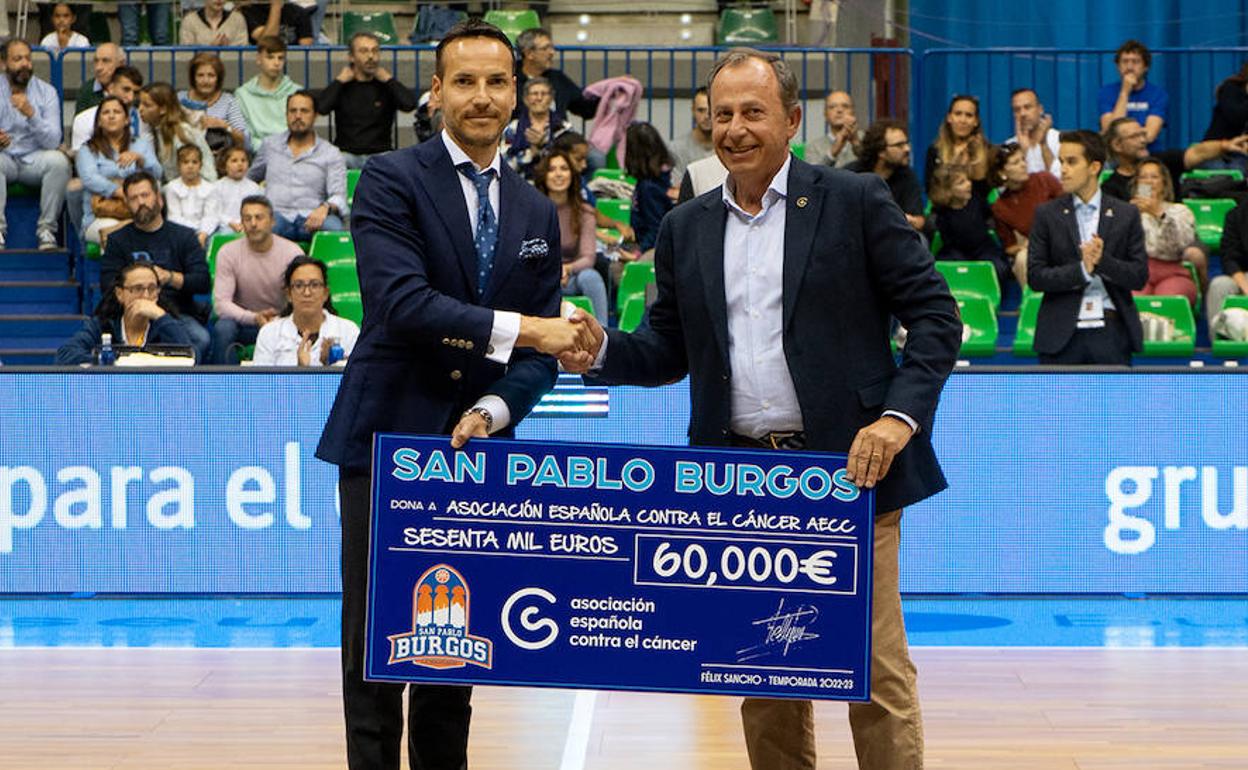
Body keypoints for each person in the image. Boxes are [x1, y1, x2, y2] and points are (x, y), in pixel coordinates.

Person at [560, 46, 960, 770]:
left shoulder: (854, 199)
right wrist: (603, 354)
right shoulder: (685, 227)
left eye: (753, 112)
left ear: (793, 121)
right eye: (722, 115)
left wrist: (897, 419)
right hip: (741, 482)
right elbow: (668, 350)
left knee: (872, 673)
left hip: (850, 473)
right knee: (763, 670)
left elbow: (936, 318)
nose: (735, 129)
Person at [315, 20, 592, 770]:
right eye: (463, 81)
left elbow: (538, 360)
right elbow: (402, 303)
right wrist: (537, 332)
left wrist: (496, 408)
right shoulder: (389, 179)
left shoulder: (536, 211)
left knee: (454, 650)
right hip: (387, 441)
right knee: (375, 647)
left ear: (517, 94)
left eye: (496, 81)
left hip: (478, 452)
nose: (481, 96)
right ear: (436, 92)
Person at [1028, 130, 1148, 365]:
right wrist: (1082, 270)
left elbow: (1139, 276)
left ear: (1094, 167)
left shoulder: (1126, 214)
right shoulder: (1046, 215)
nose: (1062, 169)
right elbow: (1036, 276)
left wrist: (1103, 261)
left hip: (1111, 328)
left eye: (1071, 162)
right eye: (1061, 161)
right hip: (1061, 331)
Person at [101, 171, 212, 361]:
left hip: (177, 312)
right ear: (127, 204)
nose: (141, 202)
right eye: (134, 198)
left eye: (145, 195)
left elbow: (202, 281)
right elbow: (107, 284)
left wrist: (169, 277)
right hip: (130, 314)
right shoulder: (117, 240)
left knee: (200, 338)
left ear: (159, 199)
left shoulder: (184, 236)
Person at [210, 194, 302, 363]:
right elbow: (221, 304)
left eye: (259, 217)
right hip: (245, 322)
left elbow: (301, 297)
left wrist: (279, 319)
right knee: (223, 328)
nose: (253, 224)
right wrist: (254, 317)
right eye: (247, 218)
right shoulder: (227, 252)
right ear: (242, 223)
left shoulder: (292, 253)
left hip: (283, 320)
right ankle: (224, 386)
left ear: (272, 221)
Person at [0, 39, 72, 251]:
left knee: (59, 162)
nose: (25, 64)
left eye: (28, 59)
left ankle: (47, 230)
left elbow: (53, 141)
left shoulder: (46, 92)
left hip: (35, 157)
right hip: (5, 157)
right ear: (3, 64)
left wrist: (31, 114)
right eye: (17, 59)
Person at [249, 90, 347, 240]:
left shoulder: (331, 153)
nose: (298, 116)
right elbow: (249, 180)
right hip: (276, 216)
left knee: (335, 230)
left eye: (304, 111)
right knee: (259, 227)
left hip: (313, 215)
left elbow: (339, 195)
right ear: (286, 115)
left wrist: (325, 208)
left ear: (315, 116)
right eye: (293, 111)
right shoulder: (270, 145)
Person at [55, 261, 193, 365]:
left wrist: (161, 317)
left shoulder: (166, 325)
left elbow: (193, 357)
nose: (145, 296)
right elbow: (65, 355)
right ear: (120, 294)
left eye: (152, 288)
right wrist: (113, 360)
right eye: (137, 289)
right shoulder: (103, 325)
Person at [315, 32, 418, 169]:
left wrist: (389, 80)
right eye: (364, 51)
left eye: (375, 51)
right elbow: (321, 107)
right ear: (351, 57)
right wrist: (339, 81)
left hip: (380, 154)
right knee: (333, 161)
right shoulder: (342, 86)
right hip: (347, 155)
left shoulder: (386, 86)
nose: (371, 56)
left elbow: (409, 104)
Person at [76, 95, 162, 245]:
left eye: (116, 112)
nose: (111, 116)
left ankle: (127, 227)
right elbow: (89, 178)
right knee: (120, 238)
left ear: (127, 119)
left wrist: (140, 160)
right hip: (100, 216)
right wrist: (120, 192)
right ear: (99, 122)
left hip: (138, 213)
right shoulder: (87, 149)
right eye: (106, 113)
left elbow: (157, 174)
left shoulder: (141, 144)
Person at [534, 150, 608, 325]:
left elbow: (588, 257)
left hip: (571, 277)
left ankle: (604, 335)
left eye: (564, 169)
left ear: (572, 175)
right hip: (540, 276)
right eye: (552, 169)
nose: (558, 174)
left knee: (590, 276)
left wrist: (566, 269)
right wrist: (553, 271)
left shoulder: (585, 212)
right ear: (544, 176)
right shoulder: (531, 211)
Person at [252, 255, 360, 365]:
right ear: (289, 294)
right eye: (299, 286)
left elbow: (357, 379)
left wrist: (328, 367)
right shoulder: (269, 333)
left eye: (314, 285)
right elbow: (261, 381)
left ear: (325, 293)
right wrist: (301, 372)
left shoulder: (349, 331)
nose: (307, 293)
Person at [1128, 157, 1200, 308]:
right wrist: (1128, 217)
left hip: (1173, 271)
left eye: (1154, 177)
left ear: (1164, 182)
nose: (1148, 181)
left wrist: (1157, 213)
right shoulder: (1128, 212)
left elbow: (1178, 245)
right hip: (1139, 271)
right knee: (1131, 299)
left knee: (1167, 299)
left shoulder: (1180, 211)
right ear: (1136, 183)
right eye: (1143, 177)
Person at [990, 142, 1062, 289]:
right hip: (1036, 250)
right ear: (1002, 173)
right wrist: (1026, 245)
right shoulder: (1000, 207)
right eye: (1016, 162)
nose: (1023, 165)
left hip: (1062, 239)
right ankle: (1032, 304)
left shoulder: (1044, 180)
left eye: (1023, 159)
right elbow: (1009, 247)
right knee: (1022, 259)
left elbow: (1069, 210)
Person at [927, 164, 1010, 287]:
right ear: (947, 190)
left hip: (983, 249)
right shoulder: (940, 212)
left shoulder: (977, 200)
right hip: (955, 252)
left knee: (999, 268)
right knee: (945, 268)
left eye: (967, 180)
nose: (968, 184)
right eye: (961, 183)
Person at [551, 130, 635, 240]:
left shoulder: (580, 181)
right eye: (579, 159)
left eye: (585, 159)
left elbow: (593, 213)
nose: (584, 165)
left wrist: (616, 224)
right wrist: (600, 236)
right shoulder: (553, 188)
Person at [847, 120, 925, 232]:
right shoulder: (852, 175)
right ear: (881, 152)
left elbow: (919, 221)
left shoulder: (907, 176)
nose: (907, 149)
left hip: (896, 235)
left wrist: (899, 219)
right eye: (899, 145)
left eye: (907, 143)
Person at [139, 82, 218, 185]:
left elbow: (198, 172)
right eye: (139, 103)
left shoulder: (181, 133)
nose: (140, 109)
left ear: (163, 109)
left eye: (147, 105)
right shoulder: (154, 130)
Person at [513, 27, 599, 120]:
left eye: (551, 48)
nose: (552, 53)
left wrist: (606, 93)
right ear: (529, 54)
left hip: (556, 133)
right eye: (545, 48)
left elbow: (585, 108)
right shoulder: (509, 79)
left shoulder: (558, 78)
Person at [1099, 40, 1168, 152]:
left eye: (1135, 62)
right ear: (1118, 66)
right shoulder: (1106, 92)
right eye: (1125, 62)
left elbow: (1150, 135)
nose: (1129, 67)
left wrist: (1124, 138)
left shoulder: (1158, 94)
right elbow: (1109, 131)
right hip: (1117, 154)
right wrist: (1125, 92)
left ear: (1145, 67)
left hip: (1149, 152)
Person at [236, 37, 302, 151]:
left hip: (291, 154)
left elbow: (301, 130)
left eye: (280, 58)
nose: (276, 63)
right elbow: (245, 135)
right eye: (270, 57)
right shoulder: (242, 94)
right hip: (257, 157)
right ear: (258, 59)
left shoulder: (297, 92)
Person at [178, 52, 250, 154]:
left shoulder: (228, 101)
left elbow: (244, 141)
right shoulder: (180, 99)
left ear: (218, 79)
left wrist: (224, 126)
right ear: (193, 78)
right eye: (200, 75)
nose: (206, 81)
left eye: (211, 75)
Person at [502, 76, 570, 180]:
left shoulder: (563, 128)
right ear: (526, 99)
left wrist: (542, 147)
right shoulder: (513, 129)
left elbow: (570, 163)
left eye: (544, 94)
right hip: (521, 184)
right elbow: (505, 166)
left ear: (551, 98)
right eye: (534, 94)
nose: (539, 98)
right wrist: (531, 152)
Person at [925, 94, 991, 197]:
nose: (963, 120)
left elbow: (987, 192)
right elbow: (930, 189)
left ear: (976, 121)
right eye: (958, 114)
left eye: (969, 115)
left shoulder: (987, 150)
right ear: (949, 118)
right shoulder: (935, 150)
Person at [625, 121, 674, 255]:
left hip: (650, 248)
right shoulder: (655, 180)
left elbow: (656, 228)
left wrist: (638, 252)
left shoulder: (649, 188)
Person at [71, 65, 146, 152]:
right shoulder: (84, 119)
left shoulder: (144, 118)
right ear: (111, 88)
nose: (131, 98)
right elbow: (80, 156)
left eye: (136, 93)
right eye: (126, 90)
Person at [165, 144, 220, 247]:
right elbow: (174, 216)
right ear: (178, 165)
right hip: (180, 231)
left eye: (194, 162)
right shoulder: (172, 187)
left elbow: (211, 216)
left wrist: (203, 234)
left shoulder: (210, 189)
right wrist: (194, 231)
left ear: (200, 165)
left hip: (206, 232)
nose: (190, 166)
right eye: (185, 162)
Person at [1004, 87, 1060, 178]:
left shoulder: (1059, 140)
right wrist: (1024, 151)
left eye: (1027, 107)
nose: (1022, 114)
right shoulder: (1009, 146)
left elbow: (1060, 181)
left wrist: (1043, 145)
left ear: (1040, 109)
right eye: (1017, 110)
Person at [1210, 202, 1248, 329]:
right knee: (1219, 285)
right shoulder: (1235, 215)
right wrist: (1245, 286)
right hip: (1243, 275)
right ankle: (1219, 341)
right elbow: (1229, 258)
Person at [668, 86, 716, 183]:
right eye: (701, 110)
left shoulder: (728, 148)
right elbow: (675, 190)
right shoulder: (676, 149)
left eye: (711, 111)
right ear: (693, 111)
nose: (707, 116)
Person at [213, 145, 263, 234]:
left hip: (249, 225)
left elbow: (258, 209)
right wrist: (231, 223)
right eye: (234, 161)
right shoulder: (217, 186)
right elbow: (216, 211)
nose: (240, 164)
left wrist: (246, 223)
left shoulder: (254, 187)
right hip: (225, 226)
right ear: (224, 165)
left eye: (243, 160)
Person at [805, 89, 860, 168]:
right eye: (832, 107)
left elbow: (875, 169)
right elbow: (812, 176)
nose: (839, 110)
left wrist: (856, 143)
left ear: (853, 111)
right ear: (825, 114)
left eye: (845, 106)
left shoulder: (866, 139)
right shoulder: (814, 147)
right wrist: (833, 152)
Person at [76, 43, 127, 115]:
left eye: (106, 61)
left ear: (121, 64)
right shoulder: (86, 91)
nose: (98, 67)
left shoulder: (132, 89)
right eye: (96, 61)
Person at [241, 0, 314, 46]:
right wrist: (276, 6)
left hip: (293, 64)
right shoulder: (247, 11)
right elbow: (267, 41)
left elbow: (305, 50)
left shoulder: (300, 12)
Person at [180, 0, 250, 46]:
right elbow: (186, 56)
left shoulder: (237, 19)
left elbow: (243, 54)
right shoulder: (190, 21)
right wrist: (211, 49)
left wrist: (227, 49)